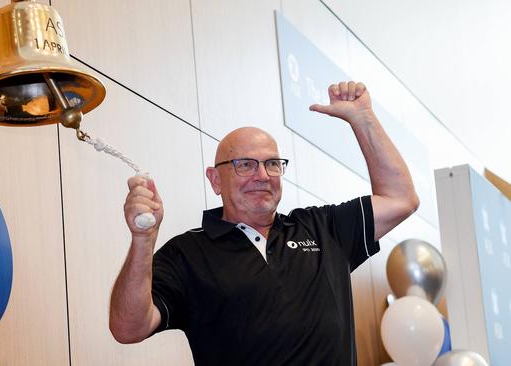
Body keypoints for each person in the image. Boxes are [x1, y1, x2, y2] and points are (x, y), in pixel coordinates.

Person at [109, 81, 419, 365]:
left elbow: (400, 199)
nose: (262, 176)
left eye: (272, 164)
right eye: (245, 165)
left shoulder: (323, 229)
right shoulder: (186, 254)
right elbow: (128, 328)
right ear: (215, 180)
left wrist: (363, 119)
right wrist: (142, 241)